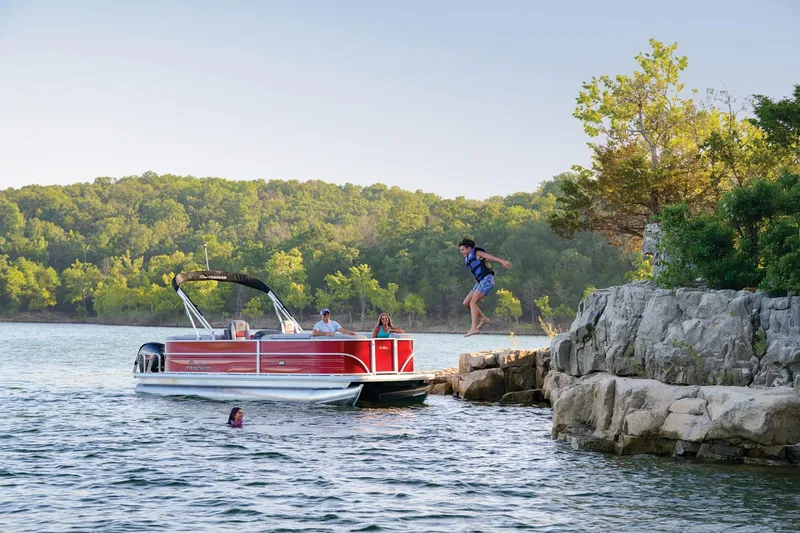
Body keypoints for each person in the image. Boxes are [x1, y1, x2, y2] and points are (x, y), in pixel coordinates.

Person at [458, 238, 512, 337]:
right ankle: (483, 319)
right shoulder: (468, 259)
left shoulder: (477, 253)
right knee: (466, 303)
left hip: (487, 280)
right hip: (480, 282)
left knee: (473, 302)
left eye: (463, 250)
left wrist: (503, 261)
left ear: (469, 248)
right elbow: (476, 273)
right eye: (460, 250)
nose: (461, 252)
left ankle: (474, 328)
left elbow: (490, 257)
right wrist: (478, 292)